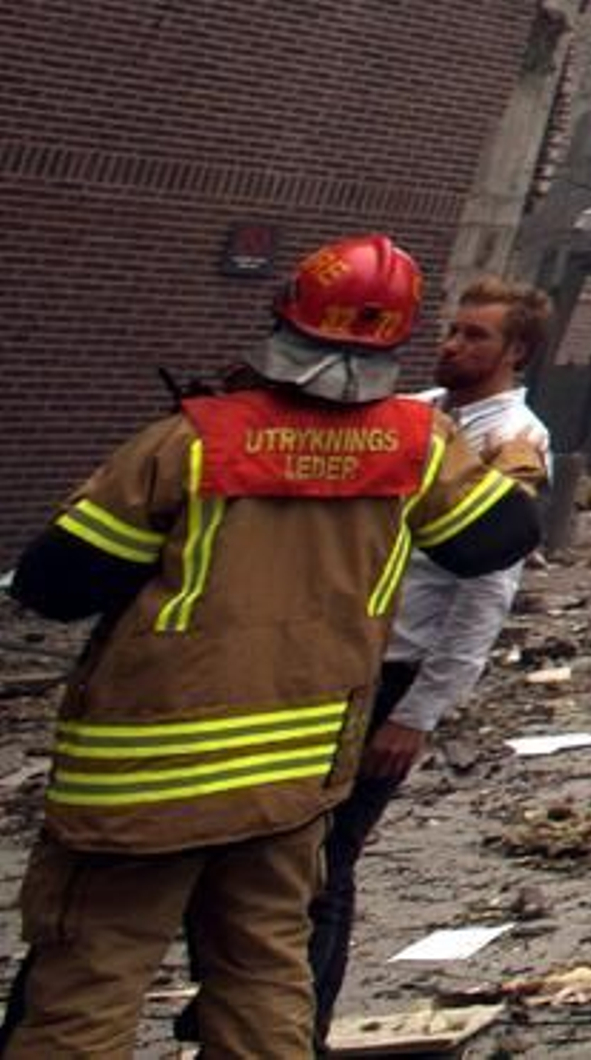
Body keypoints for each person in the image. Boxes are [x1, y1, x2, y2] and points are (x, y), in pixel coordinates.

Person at [0, 234, 542, 1057]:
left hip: (144, 778)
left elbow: (54, 587)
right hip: (295, 769)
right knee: (262, 976)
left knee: (90, 982)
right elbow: (498, 538)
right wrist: (509, 471)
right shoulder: (416, 442)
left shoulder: (190, 443)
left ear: (284, 315)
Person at [307, 277, 553, 1042]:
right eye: (453, 330)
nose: (454, 344)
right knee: (291, 845)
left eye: (477, 336)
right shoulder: (411, 417)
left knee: (329, 855)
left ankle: (299, 1017)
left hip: (398, 669)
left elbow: (487, 589)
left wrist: (420, 711)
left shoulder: (516, 440)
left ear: (516, 352)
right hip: (335, 653)